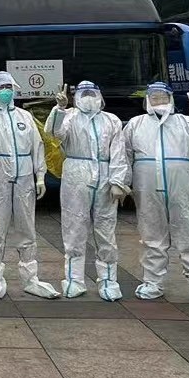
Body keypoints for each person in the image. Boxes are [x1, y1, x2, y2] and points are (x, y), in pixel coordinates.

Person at [123, 82, 189, 310]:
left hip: (183, 187)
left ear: (171, 99)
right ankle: (152, 283)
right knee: (151, 235)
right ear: (147, 101)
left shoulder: (186, 122)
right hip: (147, 188)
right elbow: (124, 155)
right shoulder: (136, 124)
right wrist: (122, 183)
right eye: (154, 98)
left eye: (163, 97)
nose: (159, 101)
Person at [0, 71, 59, 300]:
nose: (5, 91)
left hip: (24, 177)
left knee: (27, 227)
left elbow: (37, 145)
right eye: (1, 88)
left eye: (9, 87)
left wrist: (40, 175)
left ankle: (30, 278)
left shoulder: (24, 116)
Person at [46, 81, 129, 300]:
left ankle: (109, 281)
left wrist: (118, 182)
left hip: (104, 175)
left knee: (106, 229)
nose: (89, 97)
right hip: (76, 173)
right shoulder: (69, 117)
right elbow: (53, 133)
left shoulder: (111, 120)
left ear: (100, 96)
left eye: (92, 93)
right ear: (76, 98)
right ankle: (74, 280)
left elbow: (118, 152)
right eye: (84, 94)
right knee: (74, 227)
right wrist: (60, 109)